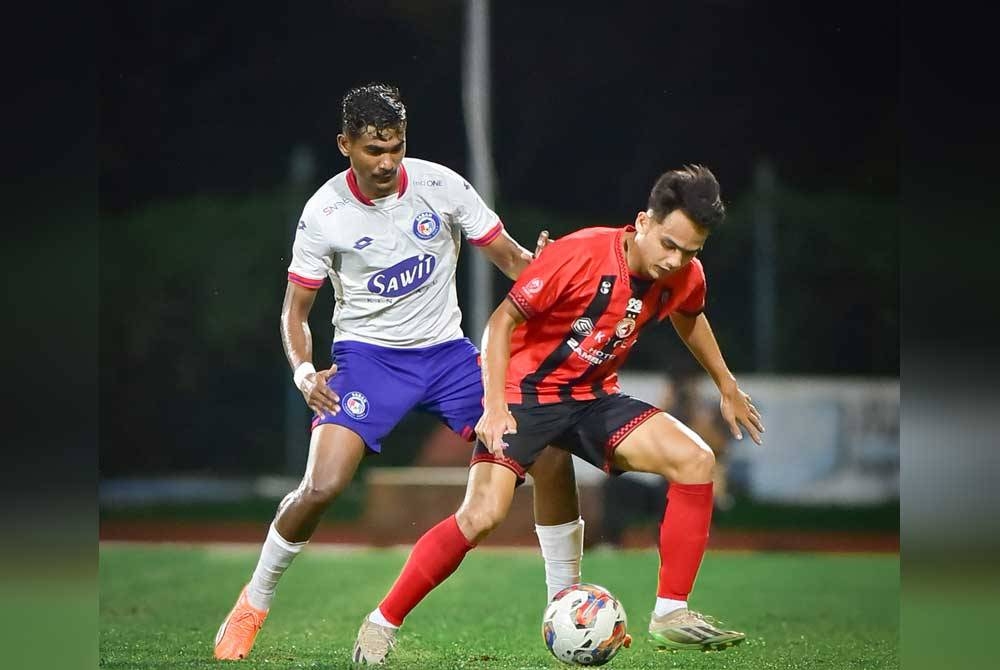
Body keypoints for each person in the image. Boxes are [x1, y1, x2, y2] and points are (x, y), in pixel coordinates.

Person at [213, 83, 585, 661]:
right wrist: (305, 371)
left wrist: (550, 269)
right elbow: (295, 312)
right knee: (323, 485)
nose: (387, 162)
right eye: (373, 150)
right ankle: (254, 600)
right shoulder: (324, 214)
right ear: (345, 145)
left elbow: (513, 260)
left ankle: (566, 602)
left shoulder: (443, 186)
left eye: (396, 147)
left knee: (552, 454)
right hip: (367, 362)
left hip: (451, 358)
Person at [354, 165, 765, 664]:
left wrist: (727, 385)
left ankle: (671, 612)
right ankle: (382, 622)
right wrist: (495, 405)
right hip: (523, 393)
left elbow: (689, 314)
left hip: (592, 396)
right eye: (669, 244)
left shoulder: (683, 275)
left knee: (697, 460)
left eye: (689, 252)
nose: (674, 261)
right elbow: (501, 322)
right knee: (482, 515)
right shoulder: (581, 253)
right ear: (642, 222)